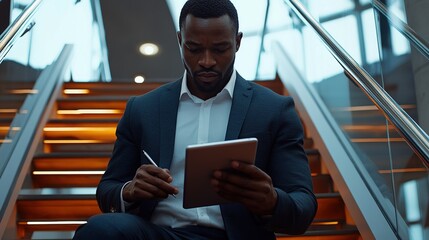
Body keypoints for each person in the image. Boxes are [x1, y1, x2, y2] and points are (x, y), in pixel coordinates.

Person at [73, 0, 317, 239]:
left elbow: (303, 204)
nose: (206, 61)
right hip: (160, 233)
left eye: (220, 49)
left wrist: (272, 201)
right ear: (180, 40)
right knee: (97, 230)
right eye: (194, 48)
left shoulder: (275, 110)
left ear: (238, 42)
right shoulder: (142, 109)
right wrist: (130, 190)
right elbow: (108, 189)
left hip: (237, 234)